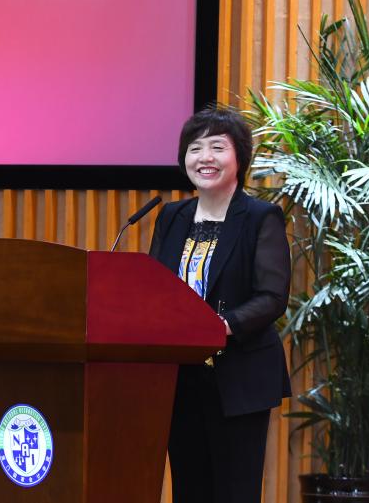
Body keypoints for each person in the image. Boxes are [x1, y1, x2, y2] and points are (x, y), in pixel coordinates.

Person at [148, 106, 291, 503]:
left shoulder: (261, 217)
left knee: (234, 491)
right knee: (190, 490)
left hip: (238, 377)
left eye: (217, 147)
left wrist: (219, 325)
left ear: (239, 158)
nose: (204, 157)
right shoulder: (171, 216)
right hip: (180, 379)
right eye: (195, 149)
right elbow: (155, 288)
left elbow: (272, 296)